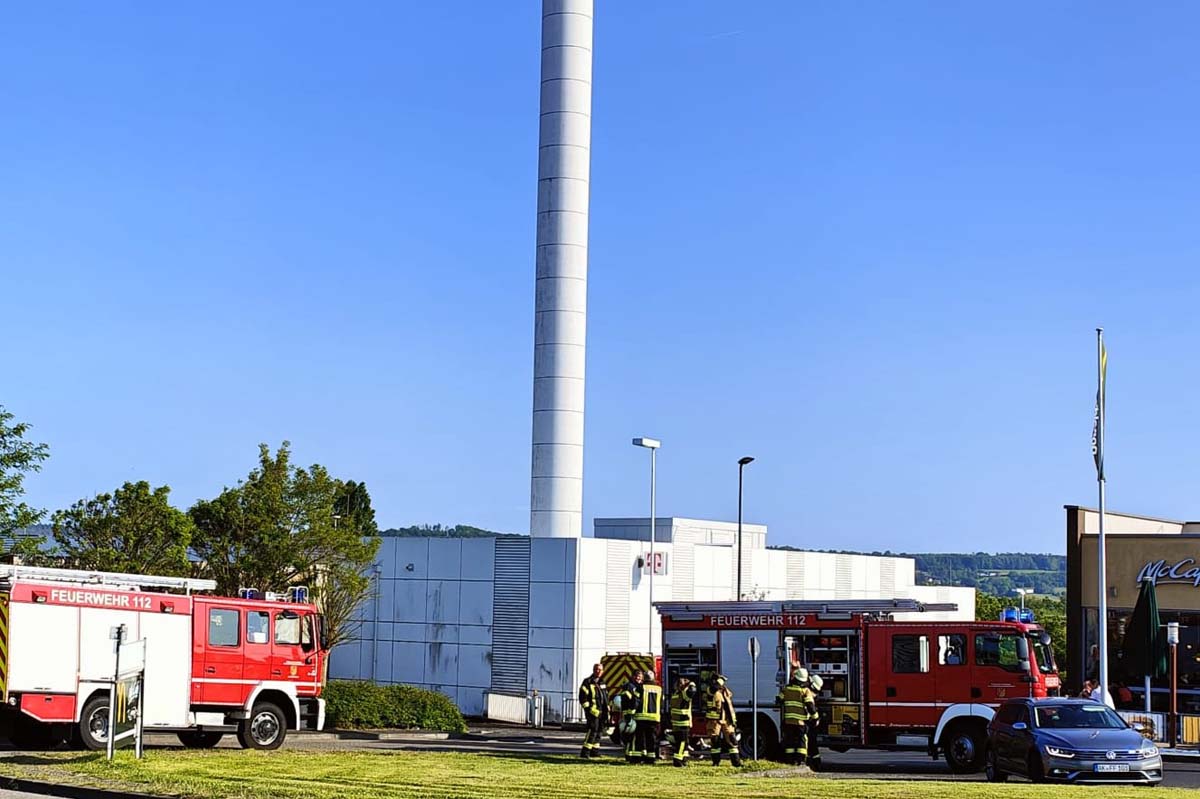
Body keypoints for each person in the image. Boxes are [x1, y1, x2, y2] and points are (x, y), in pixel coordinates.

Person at [777, 668, 817, 766]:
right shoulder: (805, 691)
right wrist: (815, 717)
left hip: (788, 721)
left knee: (789, 741)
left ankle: (790, 760)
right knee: (801, 741)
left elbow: (779, 699)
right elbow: (810, 706)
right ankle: (801, 760)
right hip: (800, 722)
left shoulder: (787, 689)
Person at [704, 674, 742, 767]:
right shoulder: (710, 690)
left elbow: (729, 705)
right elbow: (714, 688)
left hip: (727, 720)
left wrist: (733, 721)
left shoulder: (724, 691)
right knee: (715, 741)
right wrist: (721, 680)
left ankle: (736, 763)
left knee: (732, 740)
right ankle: (716, 763)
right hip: (714, 720)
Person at [578, 663, 609, 758]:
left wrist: (608, 707)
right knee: (592, 731)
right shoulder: (587, 682)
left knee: (599, 732)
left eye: (600, 670)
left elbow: (605, 697)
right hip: (593, 712)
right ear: (593, 670)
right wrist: (588, 709)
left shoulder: (602, 682)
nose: (598, 671)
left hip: (602, 712)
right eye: (596, 669)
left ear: (603, 671)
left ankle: (595, 751)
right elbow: (583, 697)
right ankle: (585, 752)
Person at [633, 670, 662, 764]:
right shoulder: (659, 688)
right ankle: (651, 758)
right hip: (654, 718)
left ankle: (637, 758)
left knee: (640, 739)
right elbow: (661, 702)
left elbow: (635, 701)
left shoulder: (640, 687)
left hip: (641, 717)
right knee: (652, 739)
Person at [618, 670, 646, 763]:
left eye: (640, 676)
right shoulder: (629, 686)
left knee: (633, 736)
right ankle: (629, 755)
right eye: (637, 676)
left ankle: (630, 754)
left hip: (635, 714)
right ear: (633, 677)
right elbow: (632, 700)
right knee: (631, 736)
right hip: (630, 714)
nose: (638, 678)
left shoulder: (639, 686)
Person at [668, 676, 697, 767]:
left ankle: (684, 759)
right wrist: (691, 683)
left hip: (676, 722)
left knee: (683, 742)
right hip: (683, 722)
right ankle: (678, 761)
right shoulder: (684, 695)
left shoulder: (675, 694)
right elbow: (692, 691)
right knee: (682, 743)